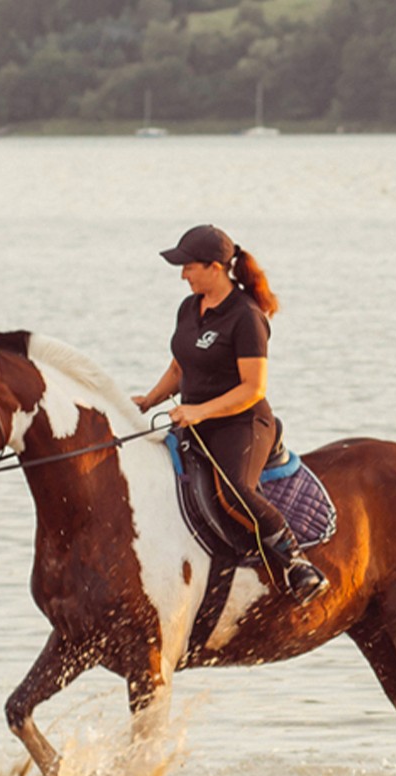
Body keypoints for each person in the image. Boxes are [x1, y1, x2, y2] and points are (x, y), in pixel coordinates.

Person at [134, 224, 327, 601]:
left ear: (215, 268)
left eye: (188, 266)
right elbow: (179, 368)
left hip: (242, 422)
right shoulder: (190, 307)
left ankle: (295, 561)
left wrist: (199, 411)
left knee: (235, 489)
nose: (183, 274)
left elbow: (252, 388)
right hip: (195, 418)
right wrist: (149, 400)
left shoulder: (246, 317)